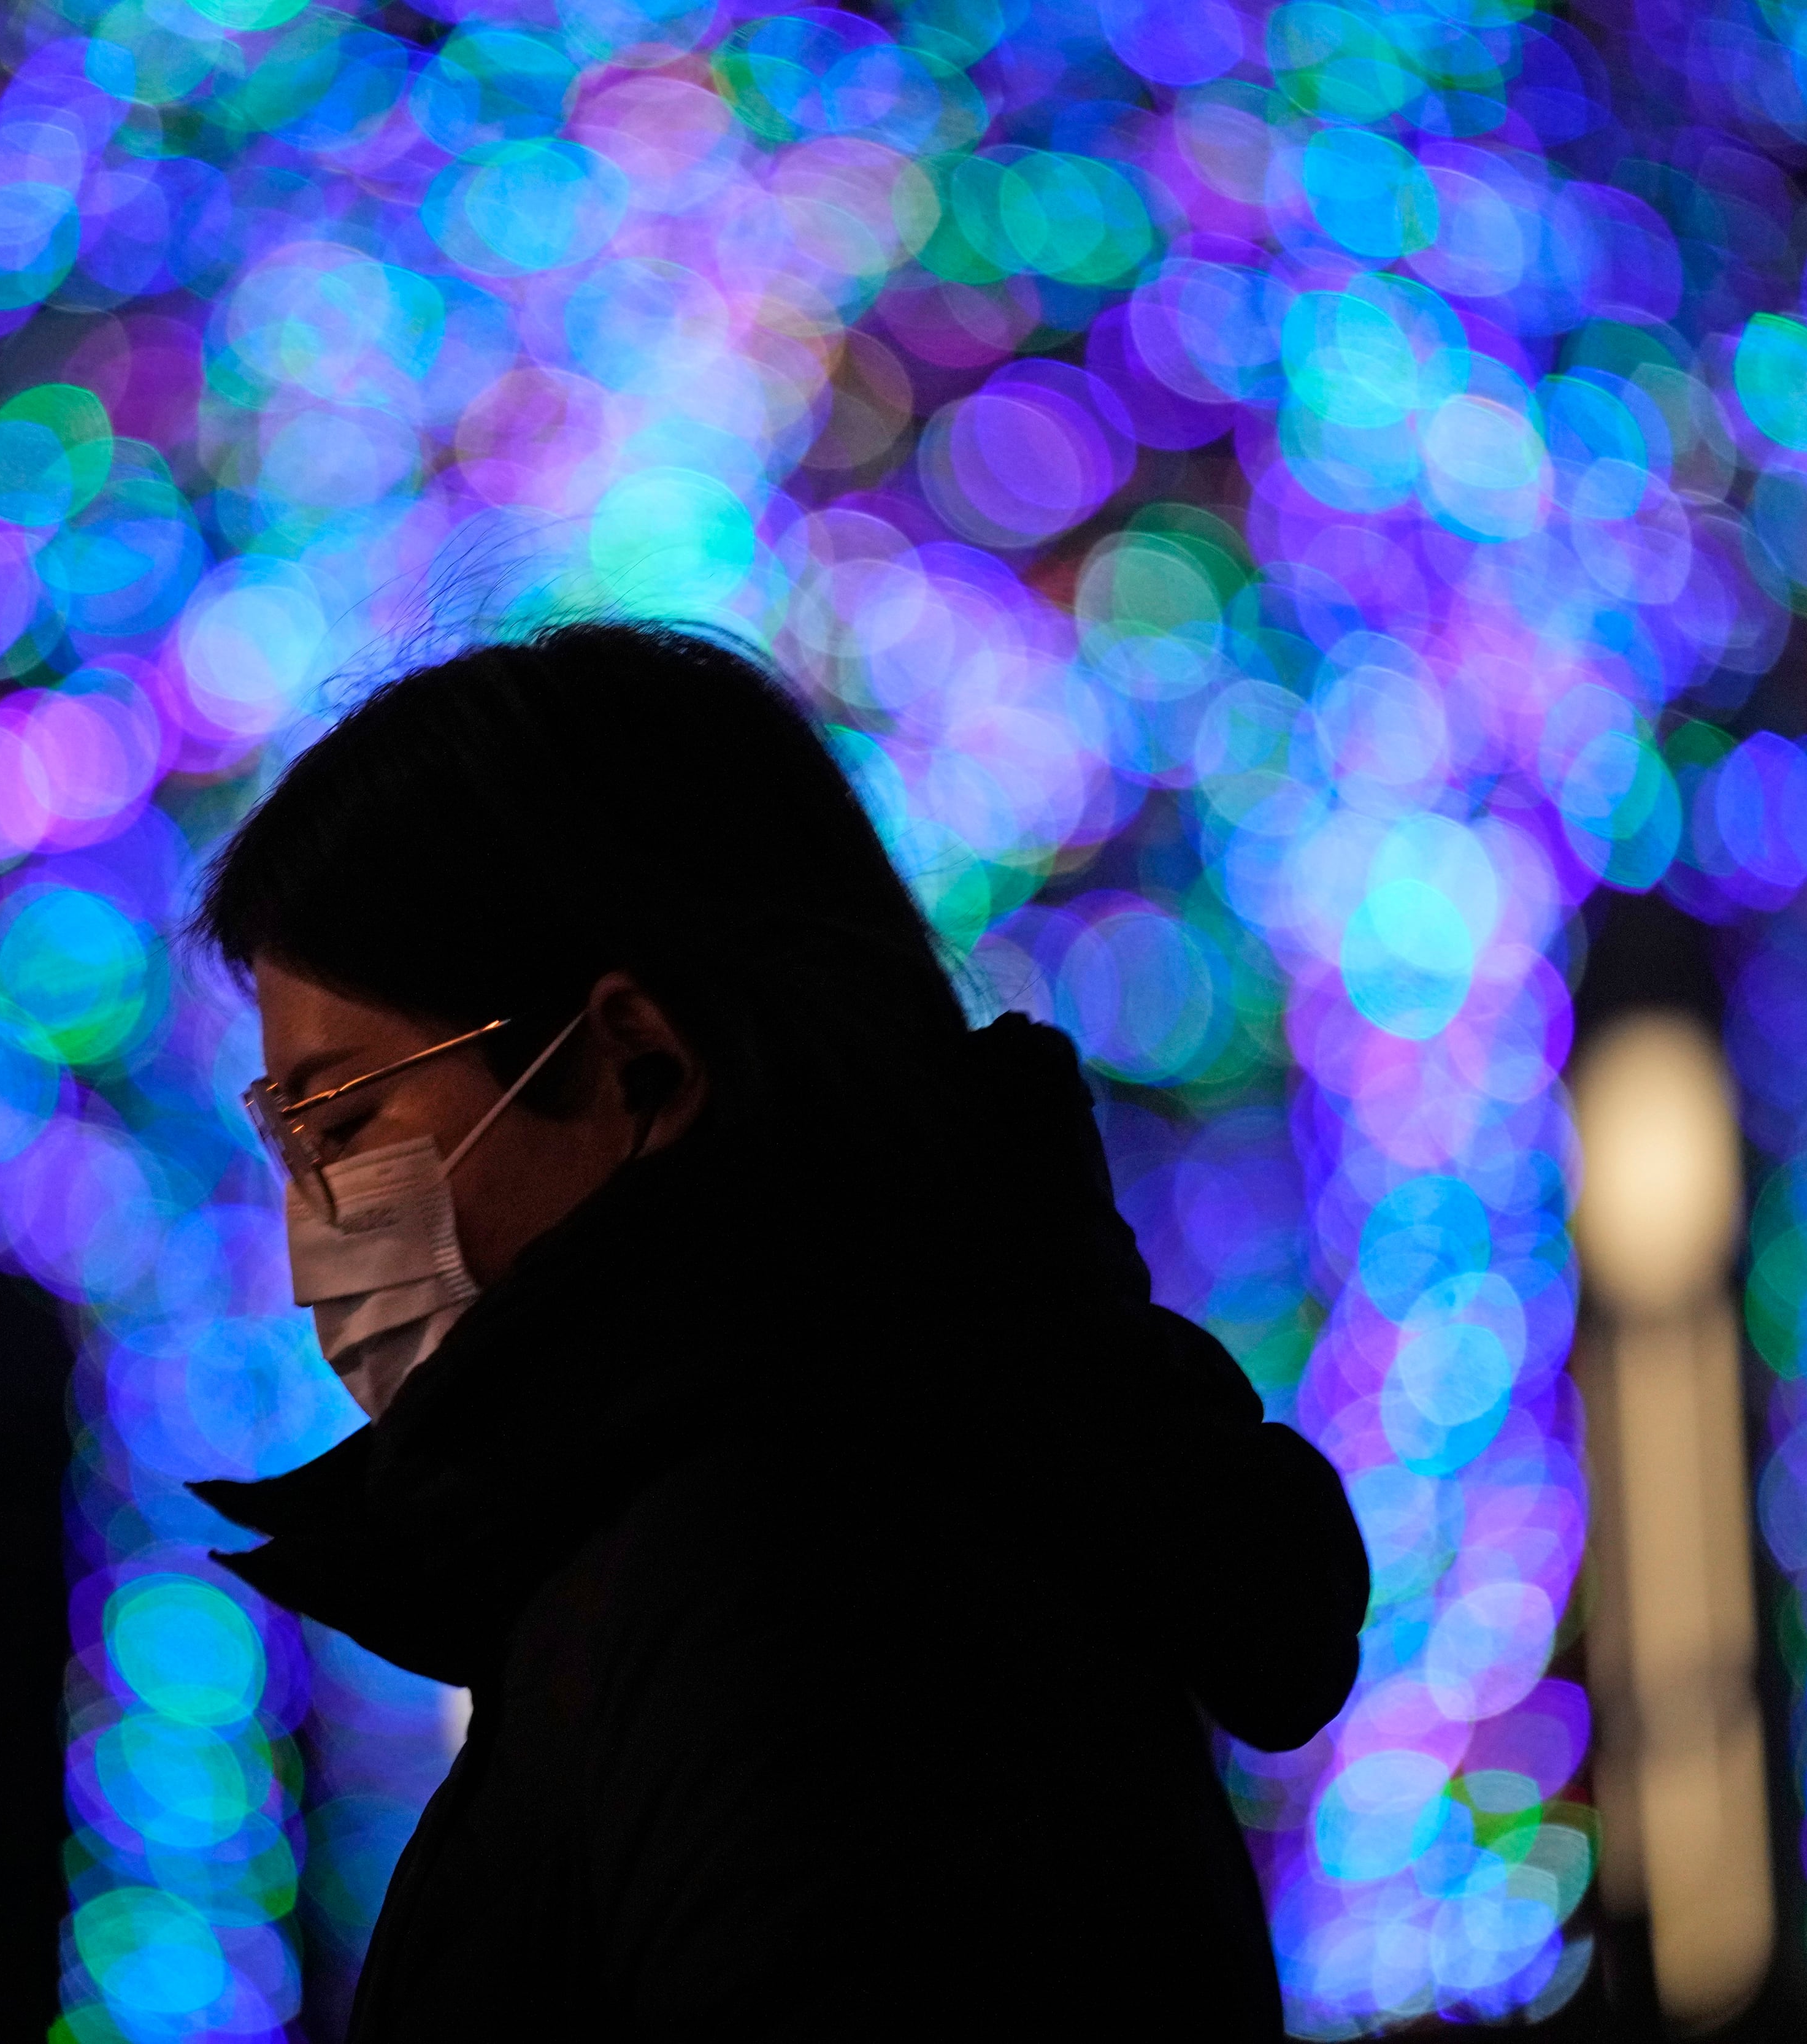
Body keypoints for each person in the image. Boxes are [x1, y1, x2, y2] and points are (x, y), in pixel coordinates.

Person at [190, 621, 1368, 2038]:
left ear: (634, 1059)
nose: (314, 1205)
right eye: (285, 1135)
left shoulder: (798, 1567)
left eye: (342, 1116)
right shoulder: (806, 1490)